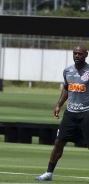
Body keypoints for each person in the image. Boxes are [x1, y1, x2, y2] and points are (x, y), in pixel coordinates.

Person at [35, 44, 89, 181]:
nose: (77, 56)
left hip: (86, 113)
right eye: (75, 53)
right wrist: (58, 105)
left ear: (86, 55)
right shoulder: (67, 70)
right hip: (70, 113)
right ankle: (49, 173)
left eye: (80, 54)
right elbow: (66, 88)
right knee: (59, 142)